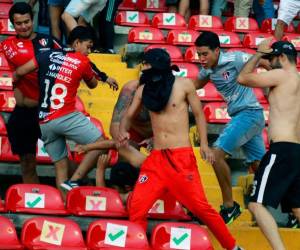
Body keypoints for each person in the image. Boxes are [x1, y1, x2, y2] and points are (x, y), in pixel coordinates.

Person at [118, 48, 243, 250]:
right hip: (156, 159)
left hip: (181, 158)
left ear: (156, 64)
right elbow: (128, 114)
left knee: (201, 208)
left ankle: (232, 247)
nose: (143, 68)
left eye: (146, 64)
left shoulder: (184, 85)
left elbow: (200, 115)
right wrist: (123, 130)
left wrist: (203, 144)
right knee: (137, 207)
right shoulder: (143, 90)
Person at [13, 26, 118, 195]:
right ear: (77, 43)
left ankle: (63, 206)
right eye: (88, 46)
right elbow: (93, 84)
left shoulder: (45, 55)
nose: (89, 51)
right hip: (65, 115)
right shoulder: (82, 61)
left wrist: (17, 88)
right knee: (100, 143)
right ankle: (76, 179)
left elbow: (19, 72)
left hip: (44, 122)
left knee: (60, 167)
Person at [194, 31, 266, 224]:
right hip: (245, 116)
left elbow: (263, 62)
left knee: (215, 154)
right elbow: (194, 85)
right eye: (198, 54)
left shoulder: (235, 58)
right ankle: (291, 210)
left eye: (204, 54)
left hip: (249, 113)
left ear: (217, 50)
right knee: (260, 167)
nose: (201, 59)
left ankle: (229, 207)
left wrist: (277, 82)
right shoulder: (207, 69)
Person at [237, 39, 300, 249]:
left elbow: (243, 78)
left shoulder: (282, 75)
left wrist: (257, 55)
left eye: (272, 59)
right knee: (297, 208)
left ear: (282, 58)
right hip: (296, 150)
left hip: (281, 149)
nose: (270, 63)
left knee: (255, 204)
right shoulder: (296, 79)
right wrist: (267, 64)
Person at [0, 2, 61, 184]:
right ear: (13, 24)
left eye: (27, 21)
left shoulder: (49, 42)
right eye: (19, 23)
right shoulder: (7, 45)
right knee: (27, 163)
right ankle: (34, 203)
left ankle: (71, 193)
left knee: (62, 160)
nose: (24, 26)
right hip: (23, 114)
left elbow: (70, 61)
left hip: (48, 112)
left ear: (32, 20)